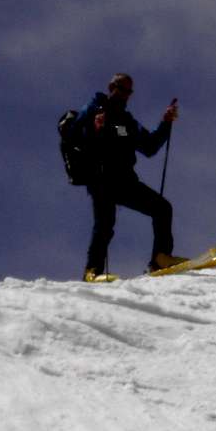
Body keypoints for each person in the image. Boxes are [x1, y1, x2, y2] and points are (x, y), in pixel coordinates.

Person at [75, 73, 183, 281]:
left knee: (162, 208)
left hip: (124, 180)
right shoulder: (96, 107)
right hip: (101, 178)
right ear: (111, 86)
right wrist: (94, 125)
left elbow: (149, 146)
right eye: (121, 88)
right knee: (104, 225)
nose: (124, 94)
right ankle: (92, 273)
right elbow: (77, 130)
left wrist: (166, 122)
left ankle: (160, 259)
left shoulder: (126, 122)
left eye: (128, 91)